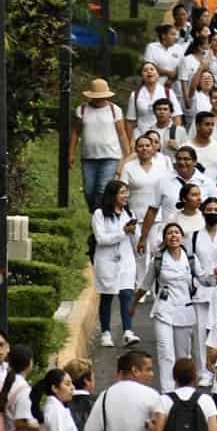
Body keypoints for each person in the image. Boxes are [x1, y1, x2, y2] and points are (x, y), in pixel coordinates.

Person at [130, 223, 198, 391]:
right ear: (165, 238)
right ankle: (167, 390)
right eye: (169, 233)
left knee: (183, 355)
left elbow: (204, 278)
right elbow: (145, 284)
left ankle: (184, 389)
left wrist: (216, 276)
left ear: (182, 237)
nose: (173, 236)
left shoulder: (190, 258)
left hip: (184, 310)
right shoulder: (158, 260)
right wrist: (133, 304)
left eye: (176, 232)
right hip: (163, 310)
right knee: (165, 351)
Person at [92, 180, 140, 349]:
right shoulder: (99, 214)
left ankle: (128, 331)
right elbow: (101, 238)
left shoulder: (129, 213)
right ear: (113, 195)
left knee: (127, 295)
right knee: (106, 296)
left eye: (127, 192)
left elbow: (135, 239)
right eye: (122, 192)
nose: (126, 196)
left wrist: (135, 234)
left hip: (126, 260)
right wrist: (123, 232)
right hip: (107, 261)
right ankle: (106, 333)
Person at [70, 78, 130, 212]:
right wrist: (71, 153)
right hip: (89, 157)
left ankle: (99, 217)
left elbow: (122, 134)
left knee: (102, 188)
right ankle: (96, 213)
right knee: (88, 190)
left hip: (110, 155)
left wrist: (127, 156)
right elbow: (76, 132)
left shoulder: (115, 110)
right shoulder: (83, 109)